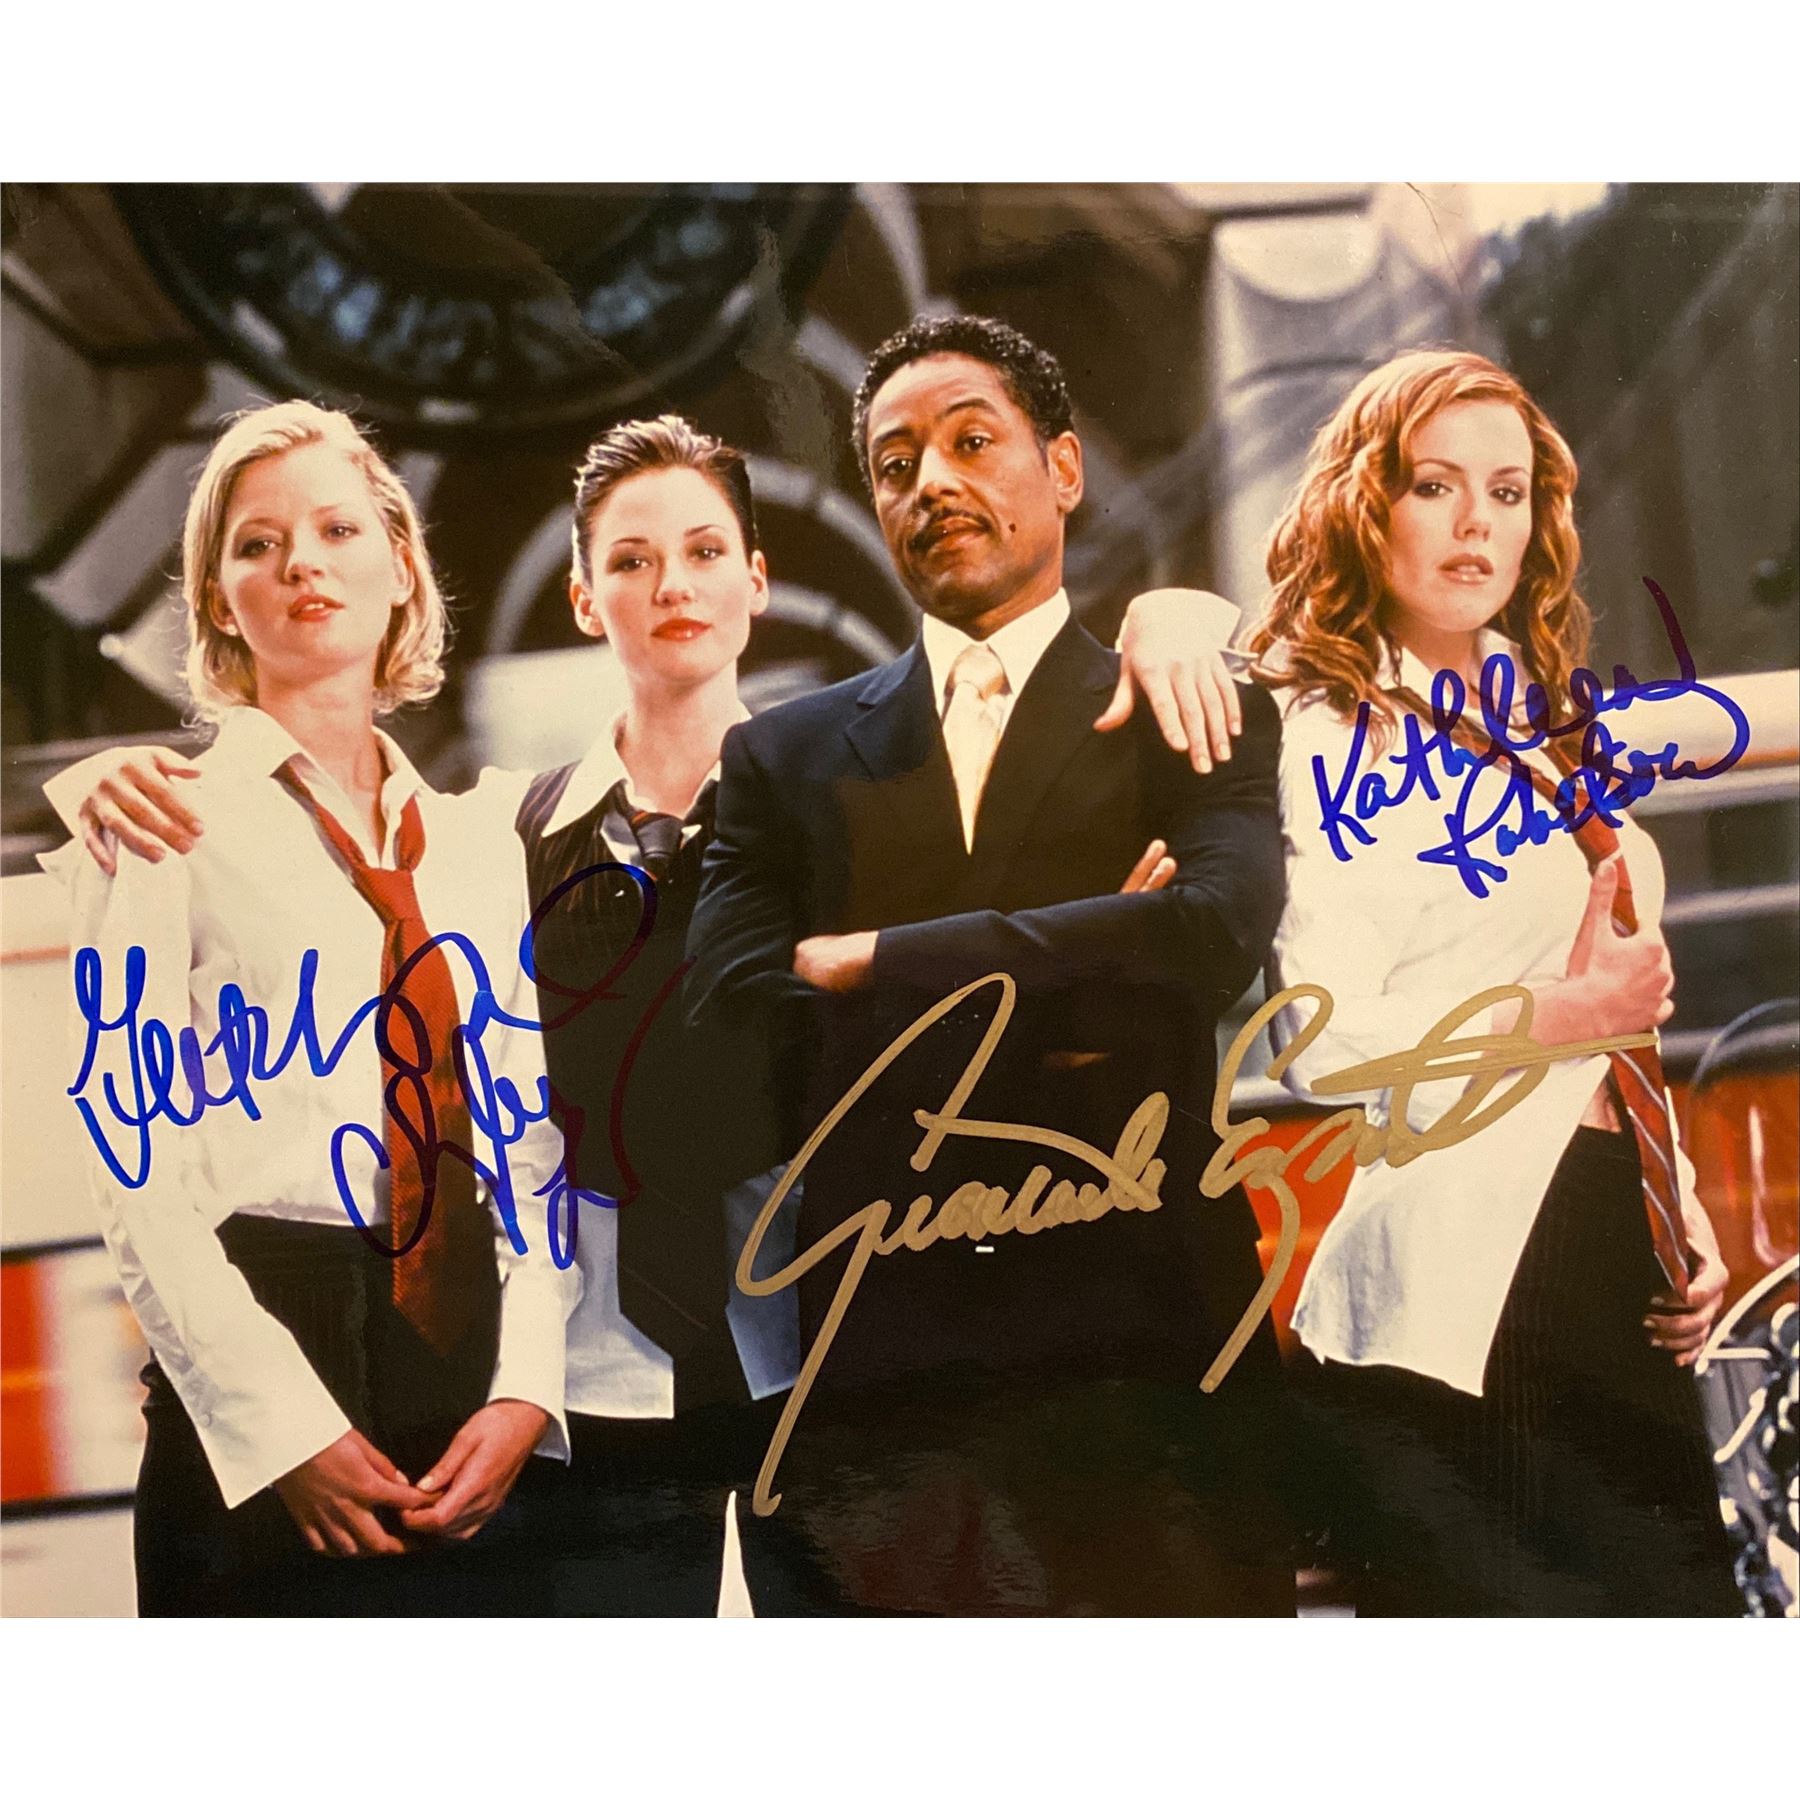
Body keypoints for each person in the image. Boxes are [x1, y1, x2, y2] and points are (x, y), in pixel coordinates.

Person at [52, 406, 1249, 1614]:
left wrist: (1179, 618)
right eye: (630, 559)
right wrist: (97, 779)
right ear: (584, 599)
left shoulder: (867, 816)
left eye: (704, 551)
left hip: (830, 1367)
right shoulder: (502, 832)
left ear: (756, 580)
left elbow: (979, 997)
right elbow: (502, 1125)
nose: (671, 584)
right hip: (585, 1398)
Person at [685, 314, 1293, 1615]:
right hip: (893, 1387)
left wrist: (870, 964)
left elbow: (1208, 939)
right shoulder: (780, 760)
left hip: (1154, 1357)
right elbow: (736, 1027)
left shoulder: (1192, 708)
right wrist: (1096, 956)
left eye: (973, 442)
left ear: (1063, 469)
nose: (933, 483)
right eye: (896, 464)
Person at [48, 401, 571, 1616]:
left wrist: (525, 1388)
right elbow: (134, 1173)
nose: (302, 564)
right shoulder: (157, 821)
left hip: (471, 1381)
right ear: (220, 600)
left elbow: (534, 1142)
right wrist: (282, 1430)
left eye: (338, 529)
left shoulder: (480, 845)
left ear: (401, 567)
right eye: (258, 543)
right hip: (261, 1353)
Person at [1249, 347, 1739, 1615]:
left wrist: (1679, 1213)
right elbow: (1323, 1043)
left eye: (1508, 492)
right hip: (1471, 1281)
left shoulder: (1547, 715)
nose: (1477, 521)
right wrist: (1563, 1017)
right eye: (1434, 485)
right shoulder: (1335, 734)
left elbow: (1607, 993)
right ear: (1366, 505)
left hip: (1608, 1242)